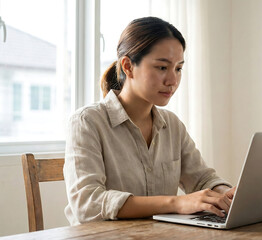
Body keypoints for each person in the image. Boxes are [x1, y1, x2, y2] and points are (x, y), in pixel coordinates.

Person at [63, 16, 235, 225]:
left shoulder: (172, 125)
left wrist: (228, 195)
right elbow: (87, 204)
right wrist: (177, 203)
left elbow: (202, 179)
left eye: (178, 68)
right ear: (127, 66)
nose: (172, 81)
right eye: (162, 67)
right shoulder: (87, 122)